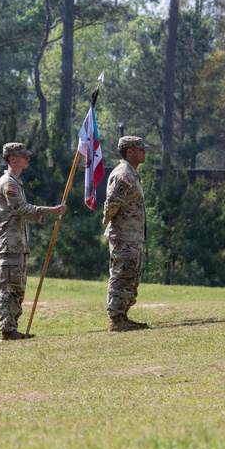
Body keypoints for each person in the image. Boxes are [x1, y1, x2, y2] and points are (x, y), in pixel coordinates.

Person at [0, 142, 66, 340]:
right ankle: (7, 330)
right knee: (9, 289)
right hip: (9, 245)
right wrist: (50, 211)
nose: (28, 158)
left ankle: (12, 327)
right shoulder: (8, 182)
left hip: (17, 245)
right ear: (12, 158)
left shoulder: (16, 182)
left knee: (17, 289)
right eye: (23, 155)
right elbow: (21, 209)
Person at [103, 136, 151, 332]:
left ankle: (122, 315)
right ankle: (115, 317)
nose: (144, 152)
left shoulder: (132, 173)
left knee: (130, 276)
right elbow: (112, 203)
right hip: (123, 235)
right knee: (121, 275)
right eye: (140, 149)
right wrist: (112, 223)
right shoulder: (124, 174)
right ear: (129, 152)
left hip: (132, 235)